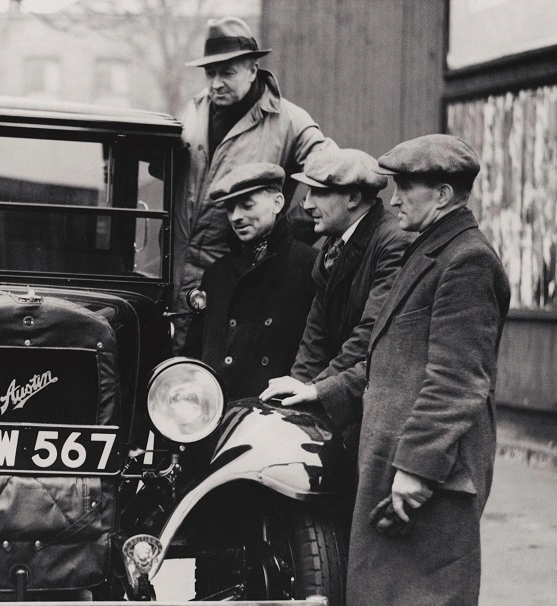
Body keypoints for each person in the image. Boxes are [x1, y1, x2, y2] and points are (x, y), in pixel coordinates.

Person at [300, 135, 508, 606]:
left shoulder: (467, 260)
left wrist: (416, 469)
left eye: (404, 187)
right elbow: (379, 355)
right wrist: (325, 393)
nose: (392, 197)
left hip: (434, 464)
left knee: (425, 602)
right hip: (403, 457)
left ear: (442, 193)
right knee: (392, 589)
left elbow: (457, 379)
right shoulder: (431, 250)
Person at [171, 16, 333, 350]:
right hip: (176, 273)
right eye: (210, 73)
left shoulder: (289, 121)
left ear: (252, 69)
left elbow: (332, 173)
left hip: (243, 279)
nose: (215, 83)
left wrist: (286, 231)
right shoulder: (194, 111)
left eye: (227, 72)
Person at [259, 148, 411, 454]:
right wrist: (295, 395)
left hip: (376, 410)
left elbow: (370, 334)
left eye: (319, 192)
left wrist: (315, 390)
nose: (308, 204)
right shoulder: (334, 241)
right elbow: (316, 333)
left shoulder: (392, 243)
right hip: (346, 395)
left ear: (353, 199)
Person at [182, 162, 316, 401]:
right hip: (217, 410)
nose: (236, 217)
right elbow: (194, 352)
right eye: (229, 208)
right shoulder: (216, 273)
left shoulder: (309, 265)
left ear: (277, 203)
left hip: (276, 411)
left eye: (246, 205)